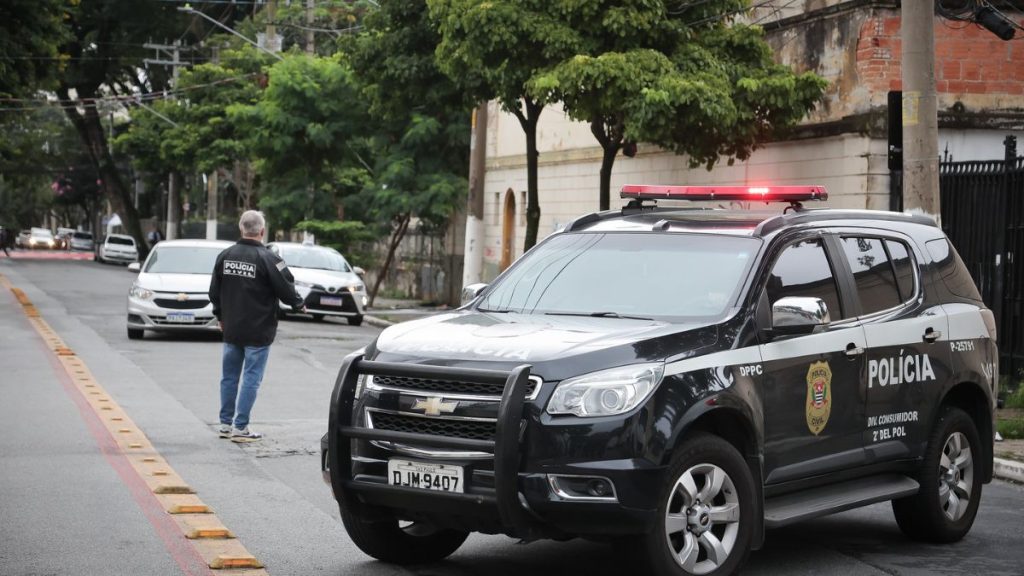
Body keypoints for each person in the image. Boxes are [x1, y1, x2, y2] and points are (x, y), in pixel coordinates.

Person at [209, 210, 305, 442]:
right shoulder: (270, 259)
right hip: (258, 331)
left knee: (229, 377)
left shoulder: (225, 256)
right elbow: (286, 286)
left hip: (231, 327)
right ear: (262, 231)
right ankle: (240, 427)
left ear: (241, 228)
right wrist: (298, 304)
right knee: (251, 378)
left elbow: (214, 292)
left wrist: (220, 316)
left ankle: (224, 424)